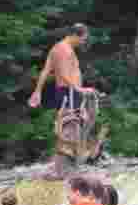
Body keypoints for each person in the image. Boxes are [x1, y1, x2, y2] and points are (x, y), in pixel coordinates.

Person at [27, 23, 102, 178]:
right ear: (75, 35)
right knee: (70, 127)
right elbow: (62, 72)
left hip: (68, 92)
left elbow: (46, 71)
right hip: (70, 92)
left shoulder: (57, 48)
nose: (83, 42)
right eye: (83, 39)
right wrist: (79, 89)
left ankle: (69, 164)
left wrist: (37, 91)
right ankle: (64, 170)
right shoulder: (65, 51)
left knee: (74, 125)